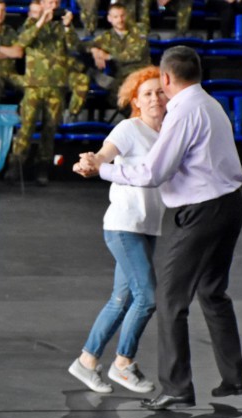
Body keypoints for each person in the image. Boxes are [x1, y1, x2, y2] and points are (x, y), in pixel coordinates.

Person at [76, 46, 242, 411]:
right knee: (212, 293)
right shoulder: (210, 105)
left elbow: (153, 174)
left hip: (202, 212)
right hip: (229, 206)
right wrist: (100, 161)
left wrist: (100, 171)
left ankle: (176, 386)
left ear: (168, 78)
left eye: (159, 88)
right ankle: (234, 377)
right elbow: (113, 150)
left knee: (167, 300)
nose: (158, 95)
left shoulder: (182, 113)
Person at [68, 67, 167, 395]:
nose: (154, 98)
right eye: (147, 93)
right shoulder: (129, 128)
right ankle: (123, 363)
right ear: (135, 101)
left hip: (149, 226)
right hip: (124, 225)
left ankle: (86, 362)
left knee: (122, 298)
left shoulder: (169, 133)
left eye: (159, 92)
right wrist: (90, 162)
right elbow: (103, 156)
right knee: (147, 297)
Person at [5, 0, 82, 186]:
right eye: (48, 2)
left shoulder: (62, 26)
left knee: (50, 129)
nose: (52, 5)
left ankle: (43, 166)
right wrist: (41, 21)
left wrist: (68, 26)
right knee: (27, 126)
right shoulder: (32, 23)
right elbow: (21, 42)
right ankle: (16, 164)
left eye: (55, 2)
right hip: (34, 85)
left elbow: (75, 47)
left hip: (56, 86)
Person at [82, 3, 150, 105]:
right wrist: (94, 50)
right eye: (116, 17)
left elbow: (136, 54)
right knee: (117, 94)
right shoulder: (107, 37)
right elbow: (82, 45)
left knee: (128, 92)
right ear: (109, 19)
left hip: (142, 74)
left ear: (127, 15)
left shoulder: (138, 31)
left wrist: (108, 56)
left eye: (122, 16)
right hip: (121, 77)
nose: (120, 20)